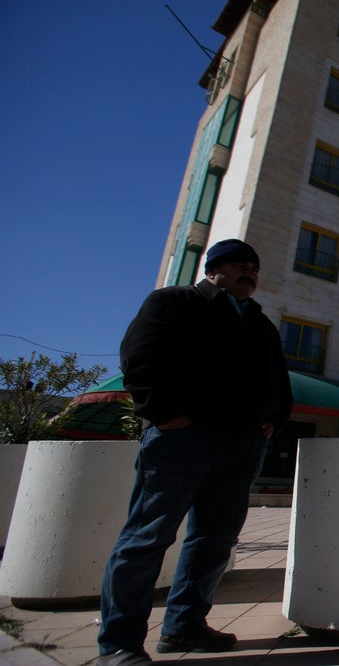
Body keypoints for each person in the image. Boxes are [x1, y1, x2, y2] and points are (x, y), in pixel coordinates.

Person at [97, 239, 293, 666]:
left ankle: (184, 626)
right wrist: (165, 415)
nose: (249, 272)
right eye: (238, 264)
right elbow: (138, 358)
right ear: (213, 269)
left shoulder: (260, 324)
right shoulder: (174, 302)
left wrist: (273, 421)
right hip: (181, 441)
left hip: (242, 445)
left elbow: (279, 378)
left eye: (254, 267)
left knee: (215, 539)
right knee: (147, 538)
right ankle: (118, 644)